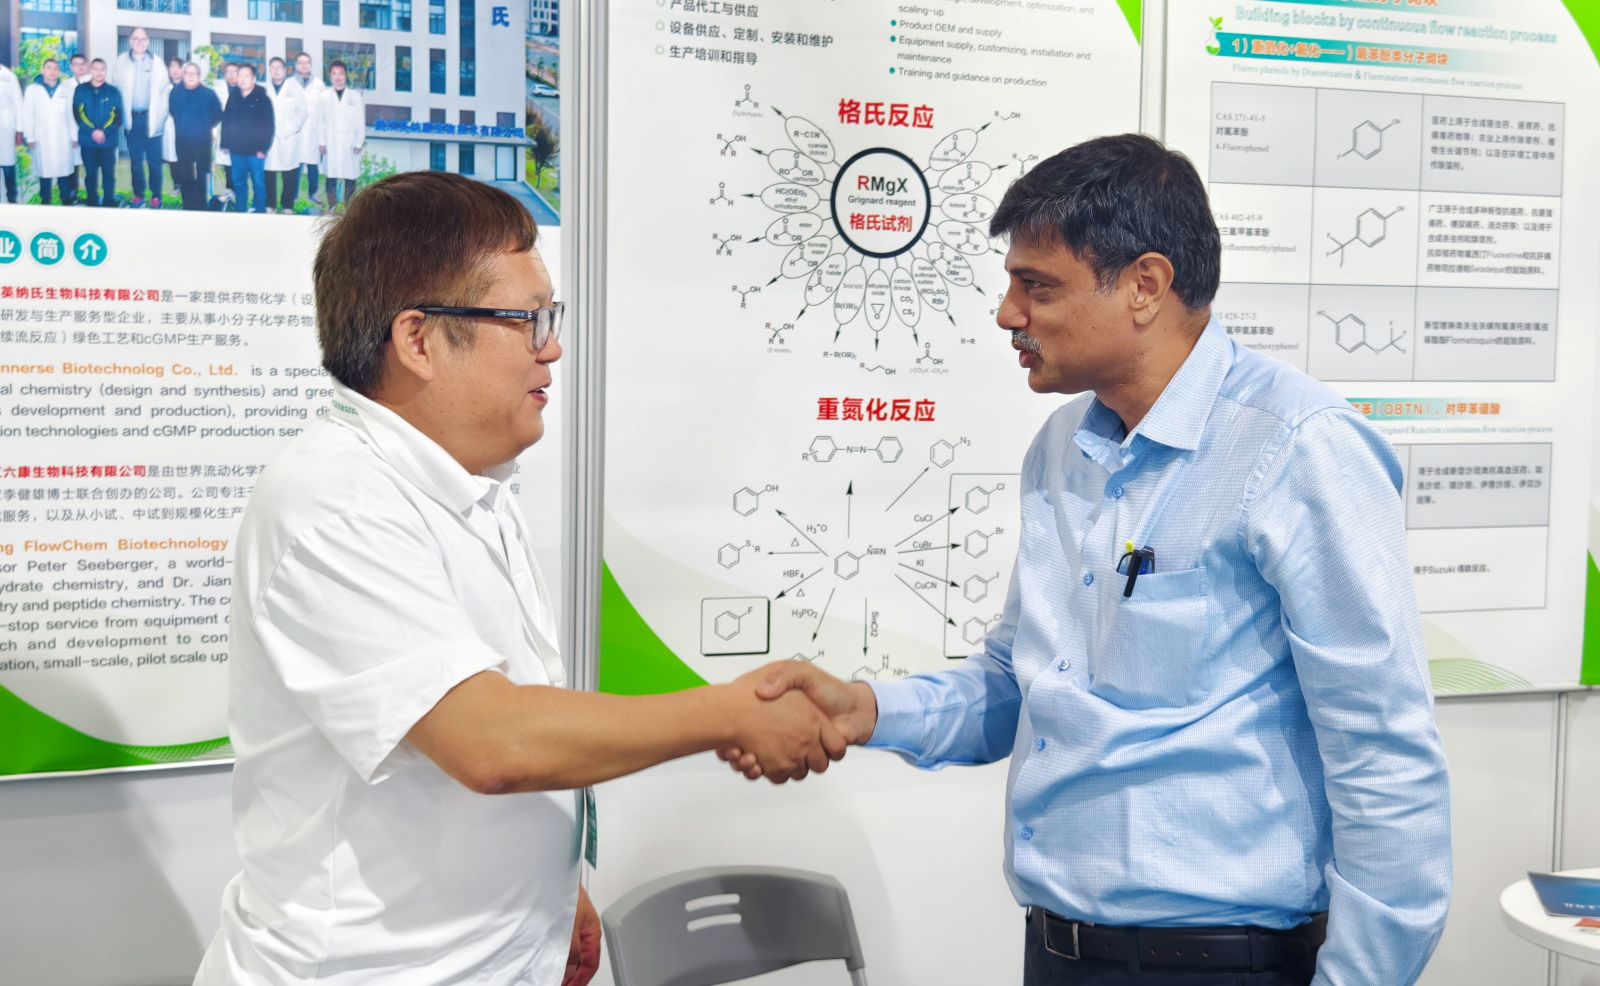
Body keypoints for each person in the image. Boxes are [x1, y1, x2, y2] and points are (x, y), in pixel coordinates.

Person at [734, 134, 1453, 986]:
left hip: (1218, 966)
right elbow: (1020, 682)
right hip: (1059, 953)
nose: (1008, 314)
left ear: (1145, 286)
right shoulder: (1063, 448)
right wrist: (863, 709)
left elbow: (1385, 757)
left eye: (1037, 286)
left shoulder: (1297, 449)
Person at [191, 171, 846, 986]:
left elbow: (514, 710)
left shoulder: (470, 482)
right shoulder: (335, 500)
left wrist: (551, 888)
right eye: (527, 320)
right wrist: (730, 713)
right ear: (419, 340)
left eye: (551, 318)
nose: (552, 347)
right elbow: (489, 740)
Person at [114, 26, 169, 208]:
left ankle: (156, 196)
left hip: (151, 119)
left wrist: (160, 117)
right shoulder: (121, 61)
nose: (140, 42)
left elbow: (164, 92)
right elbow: (116, 89)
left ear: (148, 41)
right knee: (136, 160)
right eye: (136, 38)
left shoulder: (157, 62)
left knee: (154, 161)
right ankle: (139, 195)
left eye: (143, 39)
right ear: (130, 41)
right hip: (132, 119)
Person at [21, 59, 76, 205]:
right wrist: (29, 136)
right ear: (42, 70)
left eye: (55, 68)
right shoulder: (32, 90)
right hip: (41, 137)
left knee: (64, 172)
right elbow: (28, 114)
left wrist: (74, 135)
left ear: (59, 72)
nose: (52, 71)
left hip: (62, 136)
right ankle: (45, 203)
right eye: (49, 68)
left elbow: (71, 113)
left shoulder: (66, 89)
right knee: (44, 172)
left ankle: (66, 202)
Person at [168, 62, 221, 211]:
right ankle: (188, 205)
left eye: (194, 73)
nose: (191, 76)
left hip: (202, 140)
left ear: (199, 76)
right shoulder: (176, 93)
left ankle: (201, 206)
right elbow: (173, 110)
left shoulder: (208, 94)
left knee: (202, 173)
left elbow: (217, 114)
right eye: (187, 73)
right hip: (182, 140)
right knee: (185, 173)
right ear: (183, 75)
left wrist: (204, 126)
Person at [221, 63, 272, 213]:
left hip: (256, 151)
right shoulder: (233, 97)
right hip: (236, 149)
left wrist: (263, 148)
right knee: (238, 182)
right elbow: (226, 120)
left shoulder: (262, 98)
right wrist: (225, 143)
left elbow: (268, 125)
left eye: (246, 76)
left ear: (253, 78)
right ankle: (240, 211)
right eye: (240, 76)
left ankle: (260, 211)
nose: (242, 79)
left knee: (258, 183)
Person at [71, 58, 121, 207]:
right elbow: (78, 113)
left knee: (108, 174)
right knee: (90, 174)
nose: (99, 72)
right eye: (96, 69)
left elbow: (118, 117)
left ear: (106, 71)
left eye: (102, 69)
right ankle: (92, 201)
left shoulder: (113, 91)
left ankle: (109, 201)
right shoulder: (81, 90)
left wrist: (104, 132)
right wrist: (93, 132)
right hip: (88, 141)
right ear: (91, 70)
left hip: (108, 141)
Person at [262, 56, 306, 213]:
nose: (276, 70)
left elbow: (302, 112)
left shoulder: (294, 89)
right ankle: (270, 204)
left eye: (279, 67)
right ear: (269, 70)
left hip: (288, 137)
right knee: (268, 172)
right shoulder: (263, 89)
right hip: (268, 137)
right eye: (272, 67)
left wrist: (291, 128)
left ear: (285, 70)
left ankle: (287, 205)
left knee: (289, 172)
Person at [318, 60, 362, 211]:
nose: (338, 77)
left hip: (349, 142)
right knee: (331, 175)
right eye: (334, 74)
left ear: (346, 76)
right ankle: (332, 205)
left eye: (341, 73)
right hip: (330, 141)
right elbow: (320, 121)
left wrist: (359, 142)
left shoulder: (355, 96)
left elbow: (360, 120)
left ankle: (350, 207)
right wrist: (321, 142)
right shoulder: (324, 97)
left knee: (350, 176)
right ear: (330, 76)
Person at [291, 51, 324, 207]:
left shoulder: (319, 85)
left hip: (313, 131)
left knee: (313, 165)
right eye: (301, 62)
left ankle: (313, 194)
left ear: (310, 65)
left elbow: (324, 111)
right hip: (295, 132)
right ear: (296, 65)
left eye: (307, 63)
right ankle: (293, 195)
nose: (304, 65)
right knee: (295, 166)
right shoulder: (290, 84)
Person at [211, 61, 239, 207]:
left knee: (238, 164)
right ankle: (229, 191)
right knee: (226, 164)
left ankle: (236, 193)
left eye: (235, 72)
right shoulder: (218, 88)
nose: (231, 75)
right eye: (228, 72)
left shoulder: (244, 89)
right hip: (223, 130)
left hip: (240, 132)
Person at [158, 57, 182, 198]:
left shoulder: (188, 86)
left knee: (185, 157)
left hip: (185, 128)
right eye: (172, 67)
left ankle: (187, 185)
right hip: (170, 127)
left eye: (178, 67)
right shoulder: (165, 88)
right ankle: (177, 185)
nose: (175, 70)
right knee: (172, 156)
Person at [0, 62, 21, 204]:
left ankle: (12, 200)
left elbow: (18, 102)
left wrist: (19, 130)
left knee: (8, 165)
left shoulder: (9, 76)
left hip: (7, 127)